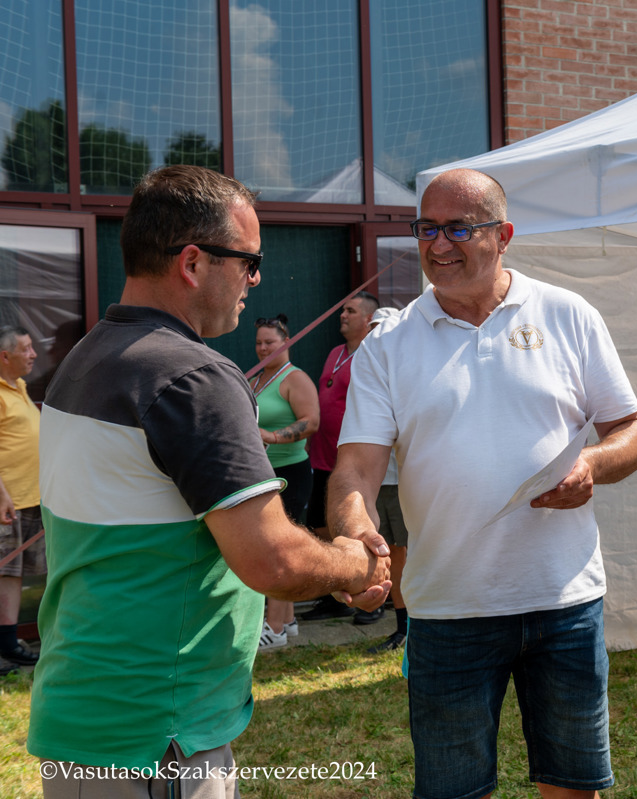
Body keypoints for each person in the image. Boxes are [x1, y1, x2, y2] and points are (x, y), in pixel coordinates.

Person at [29, 164, 391, 797]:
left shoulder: (86, 358)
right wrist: (356, 566)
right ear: (193, 263)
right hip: (158, 730)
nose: (256, 279)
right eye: (249, 261)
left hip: (90, 708)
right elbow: (272, 559)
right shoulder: (194, 377)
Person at [327, 168, 637, 799]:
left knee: (573, 787)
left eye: (457, 228)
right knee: (452, 790)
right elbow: (356, 469)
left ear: (503, 235)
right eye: (426, 229)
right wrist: (353, 534)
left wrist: (591, 465)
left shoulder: (568, 314)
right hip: (448, 608)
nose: (437, 244)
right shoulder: (388, 344)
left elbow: (634, 432)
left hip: (563, 602)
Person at [301, 290, 380, 622]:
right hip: (321, 455)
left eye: (350, 311)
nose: (342, 315)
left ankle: (370, 593)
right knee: (321, 526)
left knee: (356, 527)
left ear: (369, 319)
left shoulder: (373, 353)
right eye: (342, 310)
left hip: (351, 460)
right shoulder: (335, 352)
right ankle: (335, 592)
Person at [250, 313, 321, 650]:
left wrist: (274, 436)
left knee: (279, 549)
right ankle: (288, 620)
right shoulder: (256, 379)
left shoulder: (295, 378)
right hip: (264, 474)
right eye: (259, 343)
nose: (263, 348)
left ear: (286, 342)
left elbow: (311, 422)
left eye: (270, 342)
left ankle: (274, 629)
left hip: (290, 473)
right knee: (275, 546)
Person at [363, 305, 411, 653]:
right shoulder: (370, 371)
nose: (377, 336)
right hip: (379, 482)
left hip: (404, 484)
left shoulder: (407, 370)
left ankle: (416, 626)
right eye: (372, 330)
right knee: (392, 553)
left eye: (382, 329)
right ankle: (403, 627)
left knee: (411, 553)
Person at [0, 325, 46, 673]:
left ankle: (8, 644)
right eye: (26, 348)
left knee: (13, 574)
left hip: (30, 498)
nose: (33, 354)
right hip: (7, 501)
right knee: (4, 571)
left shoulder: (20, 387)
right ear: (5, 356)